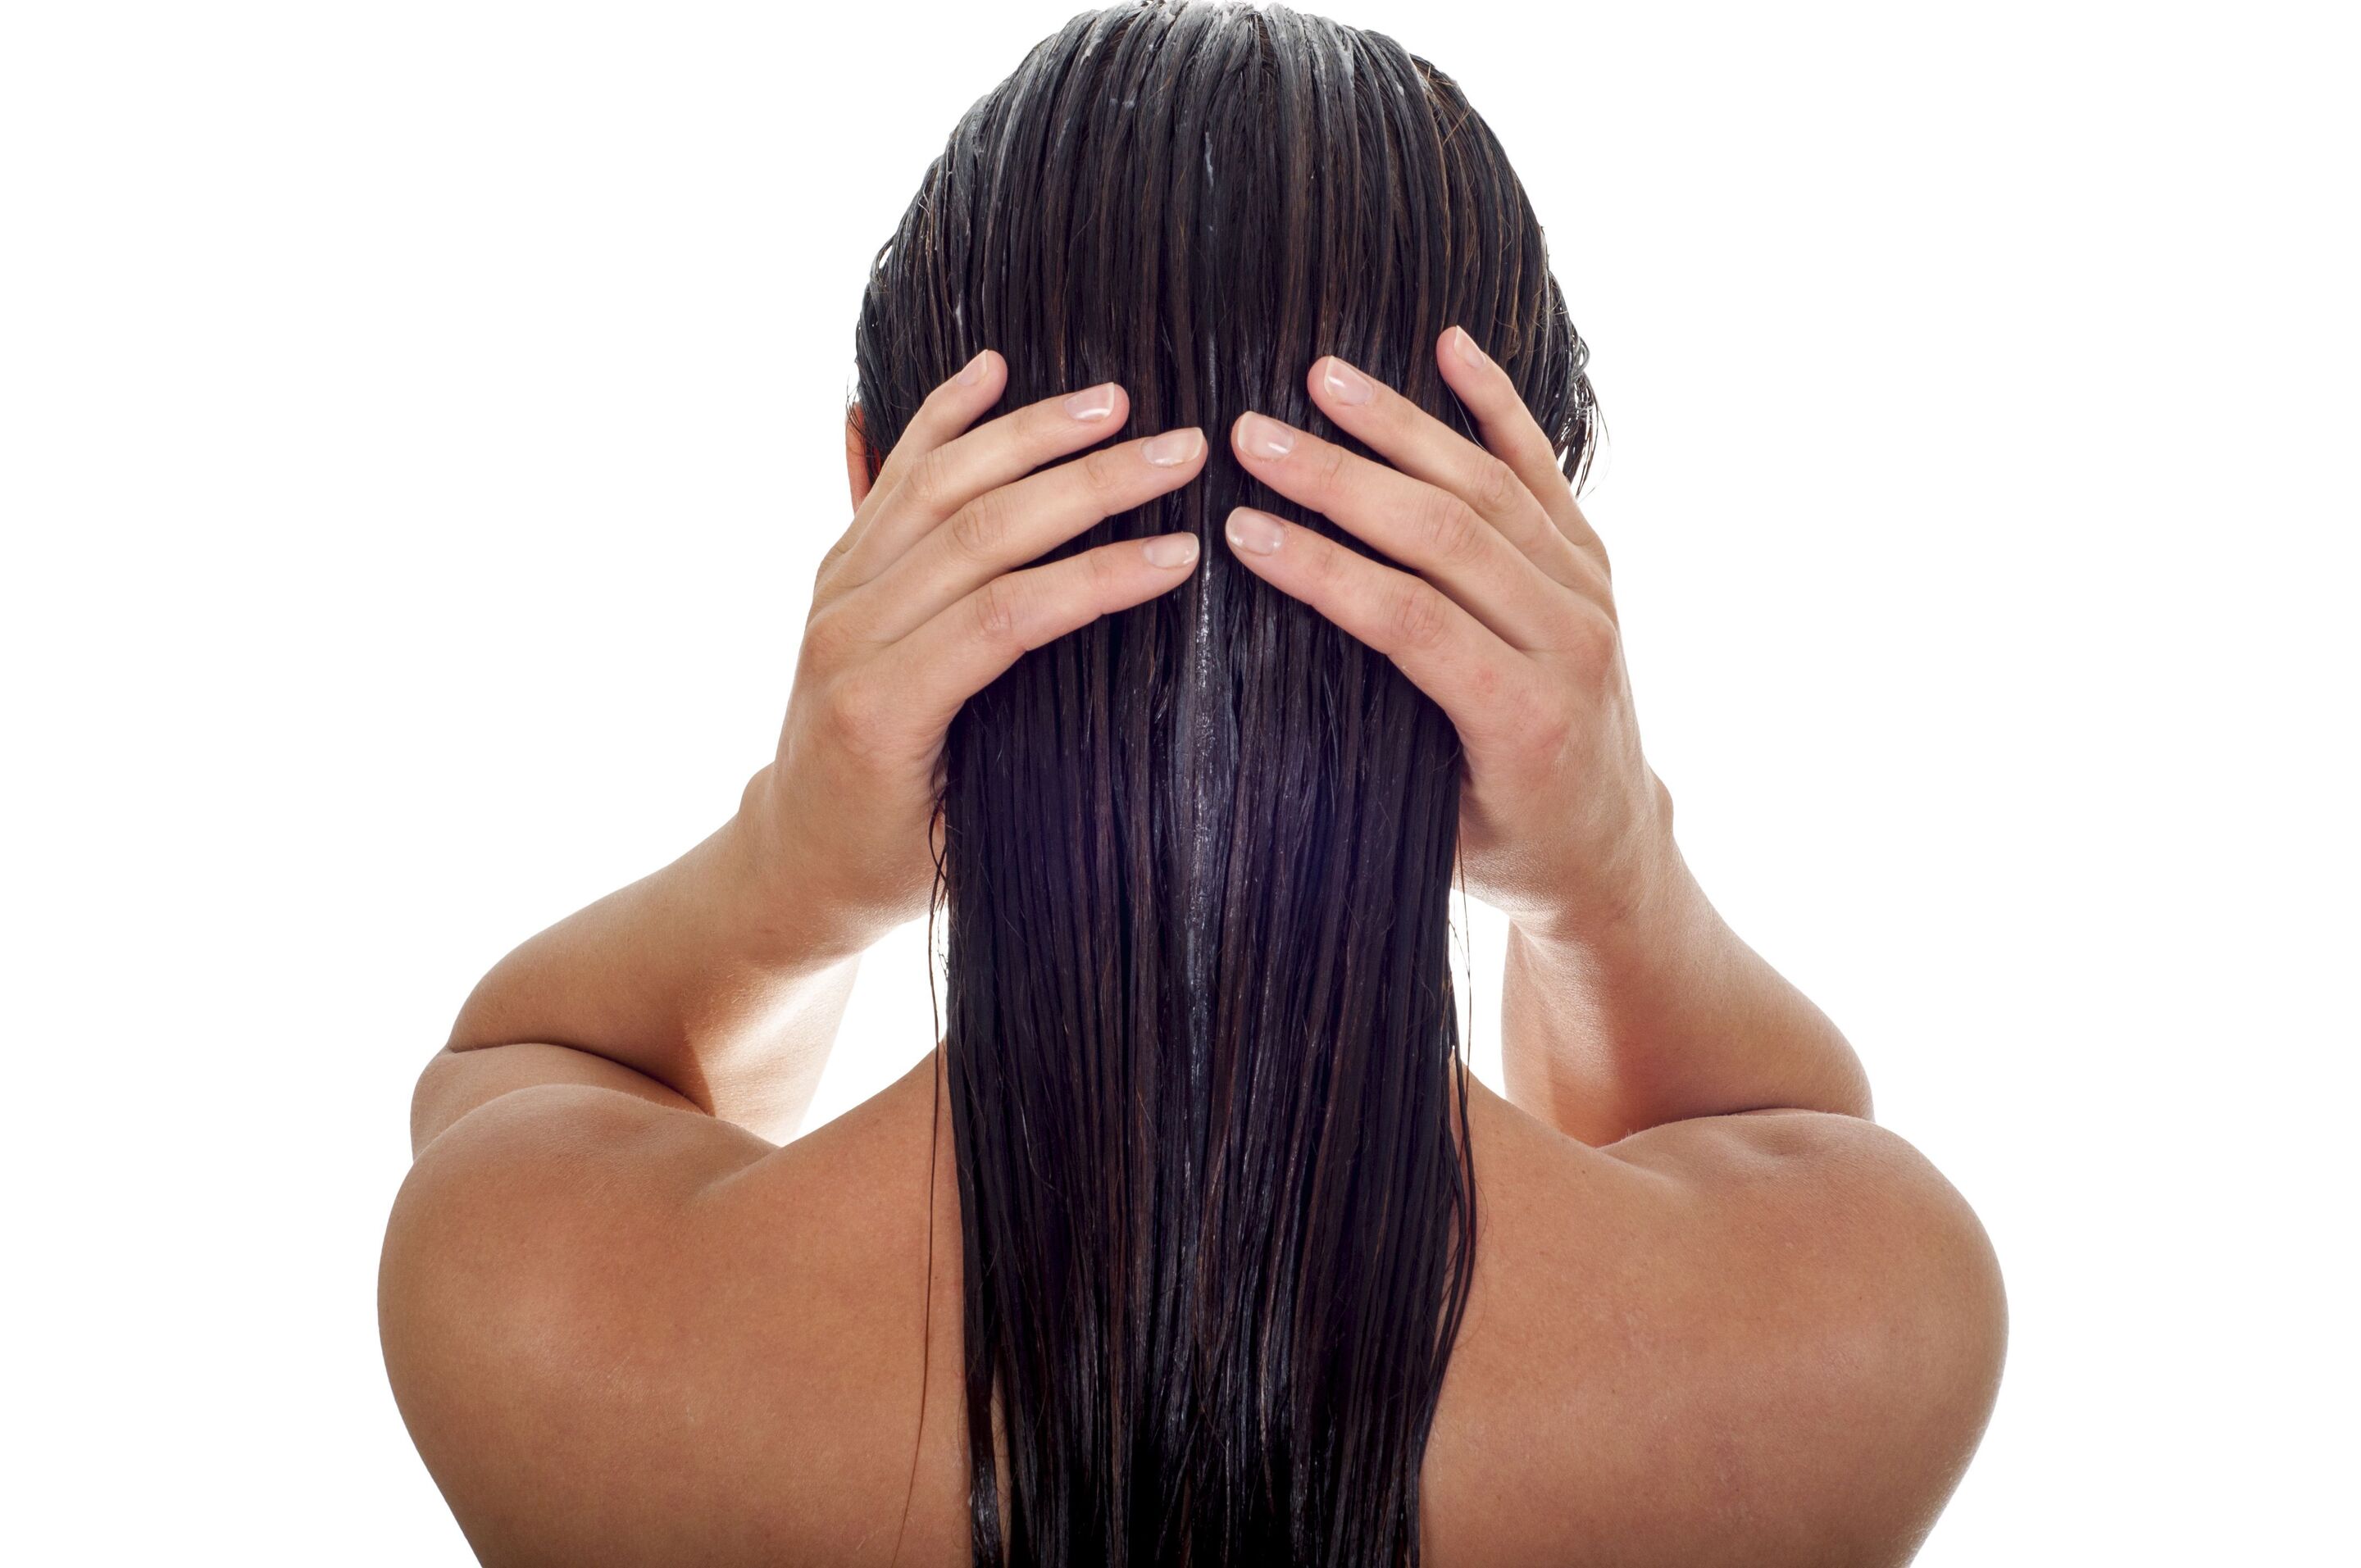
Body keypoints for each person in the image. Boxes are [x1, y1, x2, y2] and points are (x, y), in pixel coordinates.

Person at [377, 3, 2006, 1563]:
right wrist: (1610, 874)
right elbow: (1758, 1144)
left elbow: (528, 1065)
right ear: (1522, 567)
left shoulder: (539, 1314)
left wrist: (792, 868)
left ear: (876, 492)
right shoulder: (1855, 1335)